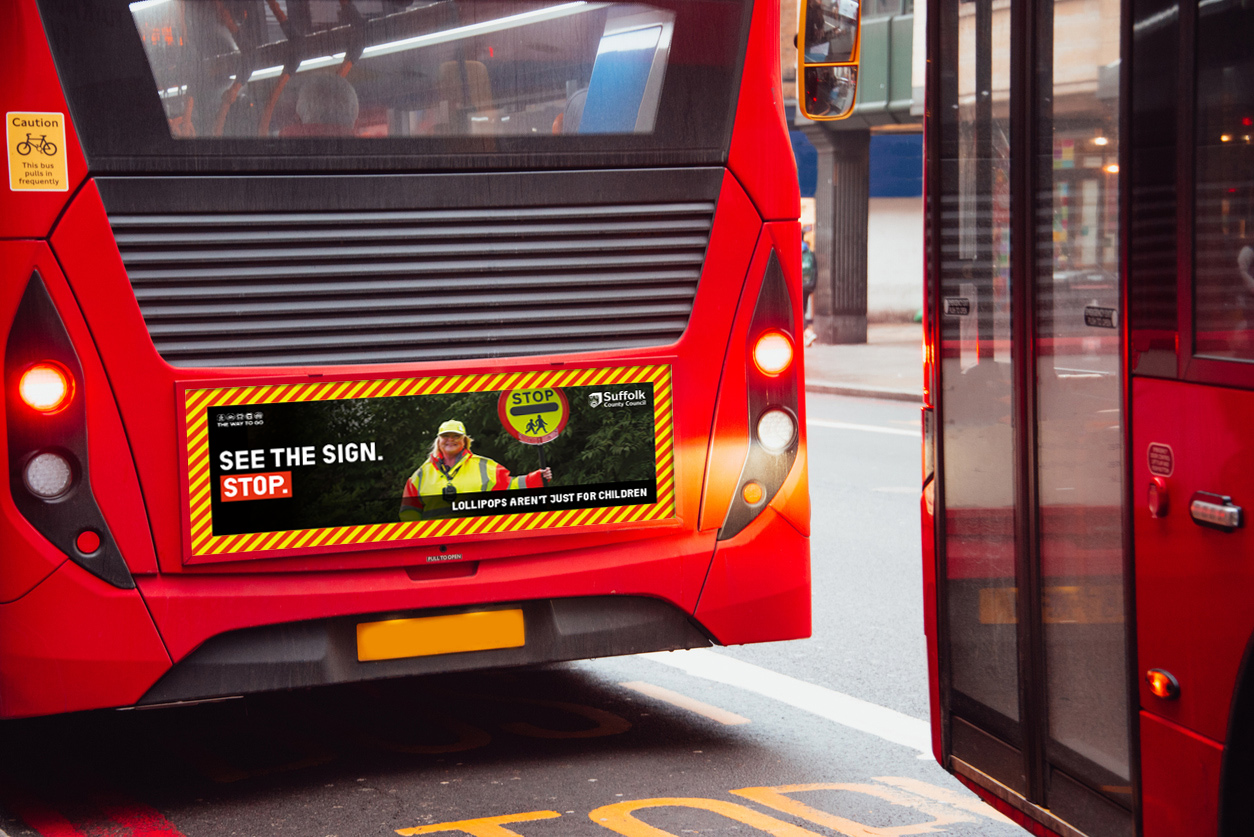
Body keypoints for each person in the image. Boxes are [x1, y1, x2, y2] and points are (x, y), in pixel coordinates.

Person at [399, 419, 552, 521]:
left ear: (464, 441)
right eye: (445, 436)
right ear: (438, 441)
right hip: (437, 544)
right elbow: (409, 510)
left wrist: (537, 478)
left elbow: (511, 486)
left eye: (456, 436)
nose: (450, 439)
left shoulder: (484, 466)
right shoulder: (421, 474)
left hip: (477, 539)